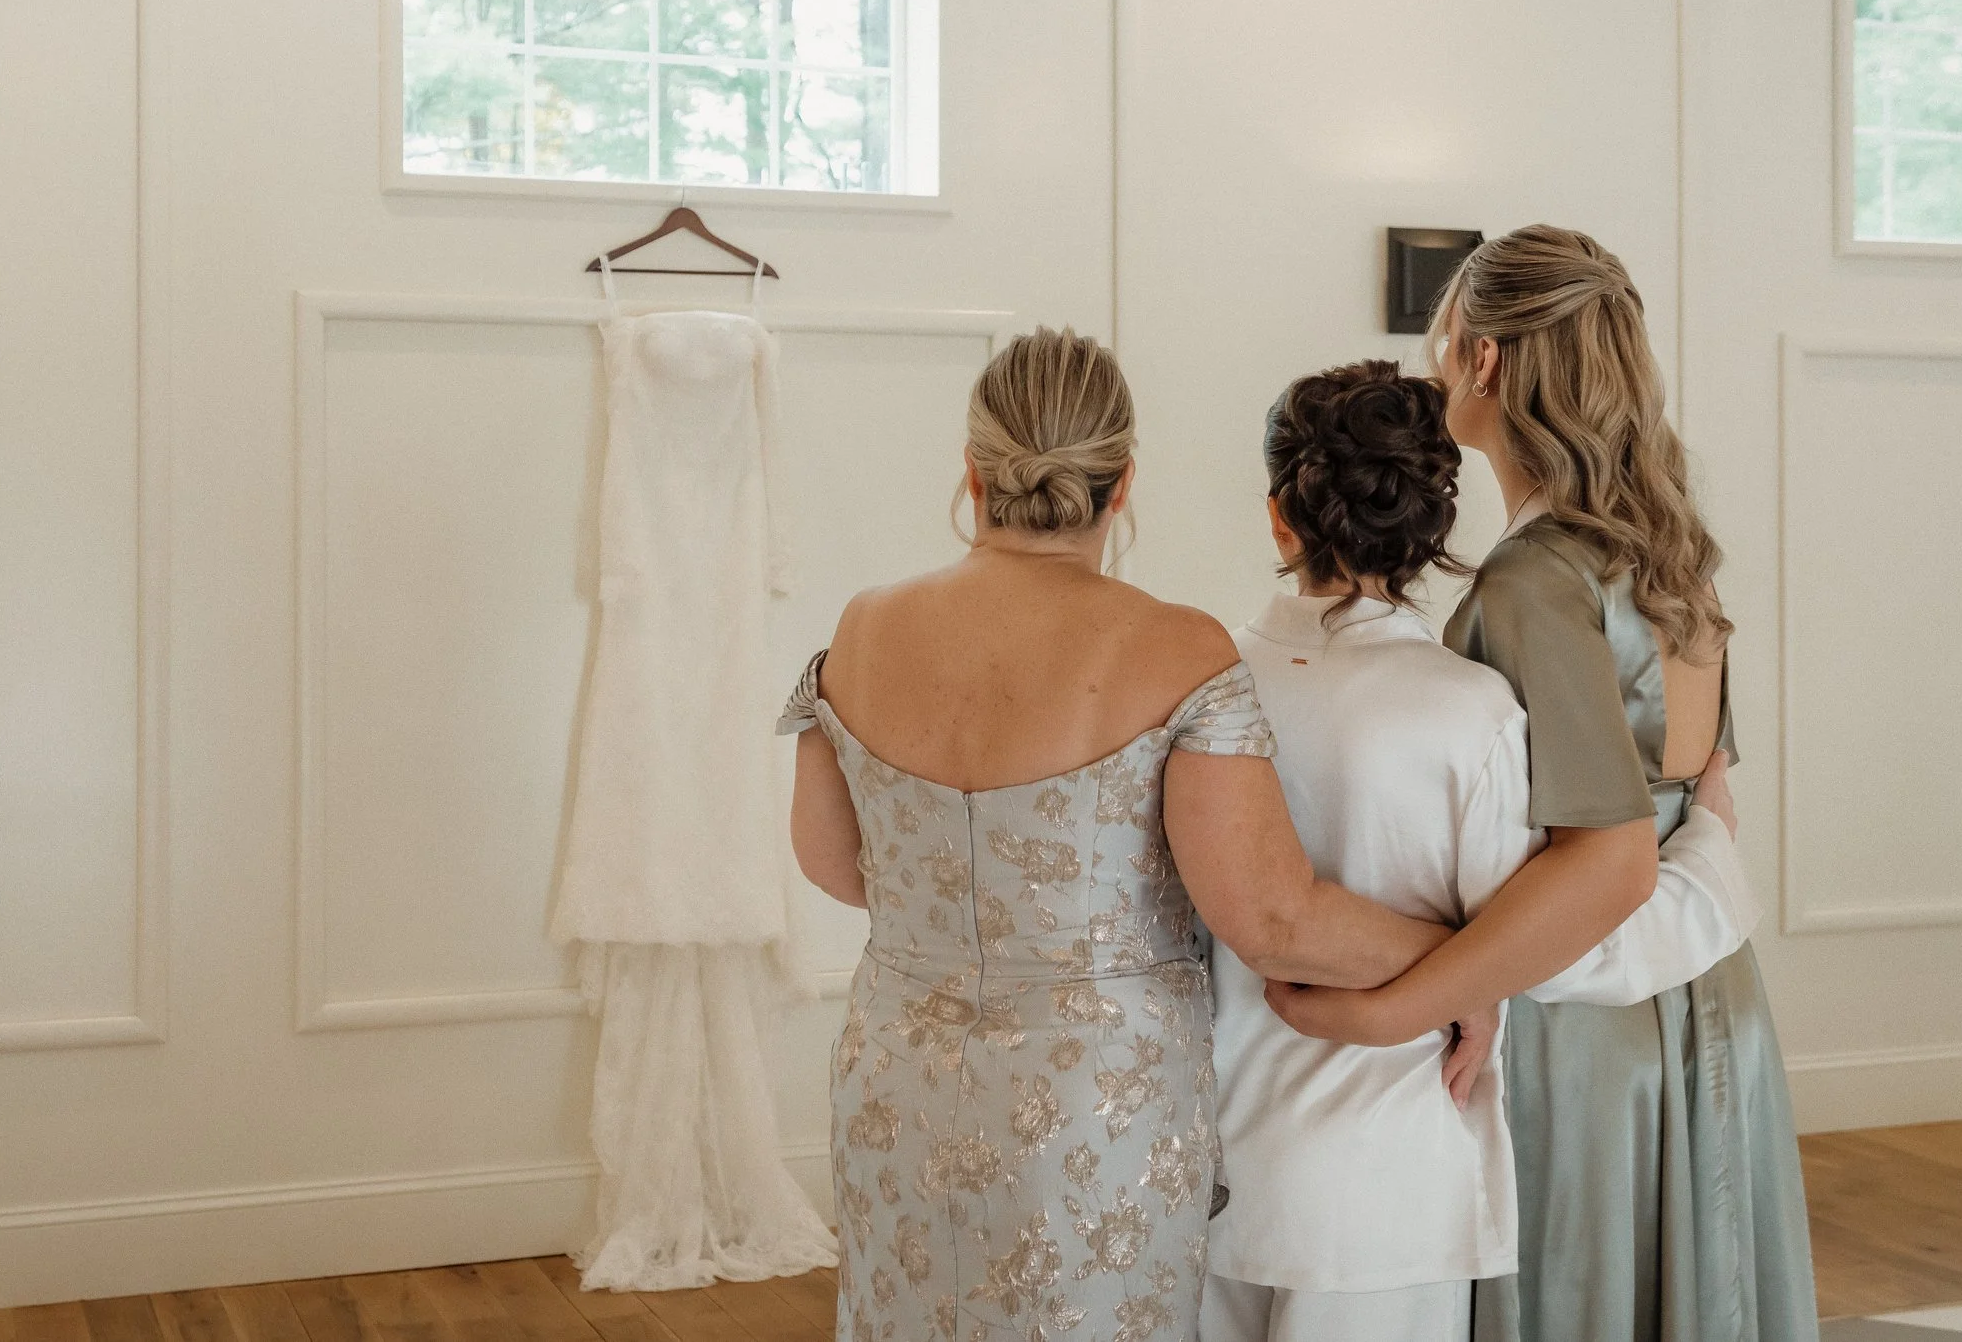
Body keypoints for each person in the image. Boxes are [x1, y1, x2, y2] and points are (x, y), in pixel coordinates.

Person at [779, 328, 1460, 1342]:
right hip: (1093, 1094)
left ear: (971, 470)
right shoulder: (1170, 646)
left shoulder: (864, 625)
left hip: (899, 1075)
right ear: (1122, 480)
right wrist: (1460, 960)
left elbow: (832, 864)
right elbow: (1270, 918)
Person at [1269, 227, 1821, 1342]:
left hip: (1589, 1031)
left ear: (1484, 359)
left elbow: (1600, 856)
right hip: (1711, 992)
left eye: (1441, 341)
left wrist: (1397, 1006)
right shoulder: (1673, 547)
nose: (1432, 368)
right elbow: (1701, 789)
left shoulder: (1531, 576)